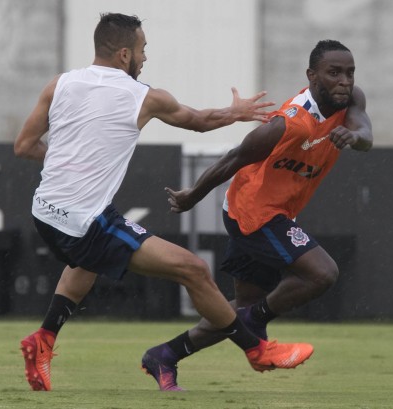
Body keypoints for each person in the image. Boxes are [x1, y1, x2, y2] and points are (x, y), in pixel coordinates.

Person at [14, 12, 314, 392]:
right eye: (143, 50)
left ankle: (43, 340)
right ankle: (257, 350)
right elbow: (198, 120)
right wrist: (235, 113)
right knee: (193, 270)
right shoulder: (144, 96)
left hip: (45, 211)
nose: (145, 58)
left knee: (85, 262)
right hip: (82, 219)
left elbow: (23, 146)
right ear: (124, 54)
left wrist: (65, 162)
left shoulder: (59, 84)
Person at [142, 39, 373, 391]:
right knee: (323, 273)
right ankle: (255, 320)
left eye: (350, 72)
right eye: (334, 73)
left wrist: (354, 136)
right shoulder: (290, 123)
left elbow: (366, 134)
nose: (344, 80)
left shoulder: (352, 100)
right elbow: (234, 158)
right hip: (252, 213)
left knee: (241, 309)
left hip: (272, 211)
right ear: (312, 76)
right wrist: (192, 196)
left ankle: (165, 355)